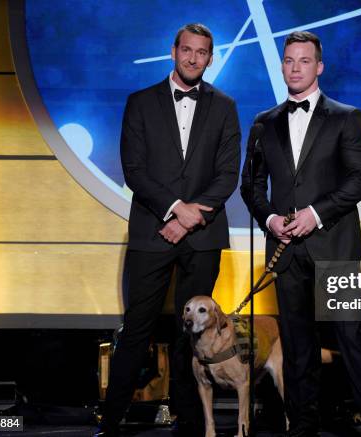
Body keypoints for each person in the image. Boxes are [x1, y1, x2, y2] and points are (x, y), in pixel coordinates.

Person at [240, 31, 361, 437]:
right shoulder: (263, 123)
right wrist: (270, 219)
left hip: (335, 246)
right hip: (285, 250)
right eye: (289, 60)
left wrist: (315, 214)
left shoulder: (346, 117)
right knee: (296, 343)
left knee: (350, 337)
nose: (295, 67)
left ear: (319, 67)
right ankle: (302, 425)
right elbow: (251, 186)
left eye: (304, 61)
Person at [95, 23, 241, 437]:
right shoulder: (140, 102)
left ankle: (189, 419)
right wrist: (177, 212)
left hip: (204, 236)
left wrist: (193, 218)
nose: (194, 58)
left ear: (211, 58)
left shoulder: (225, 106)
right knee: (137, 327)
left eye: (202, 52)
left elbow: (227, 174)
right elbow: (134, 171)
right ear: (173, 51)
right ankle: (111, 421)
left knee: (192, 333)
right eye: (187, 50)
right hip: (151, 232)